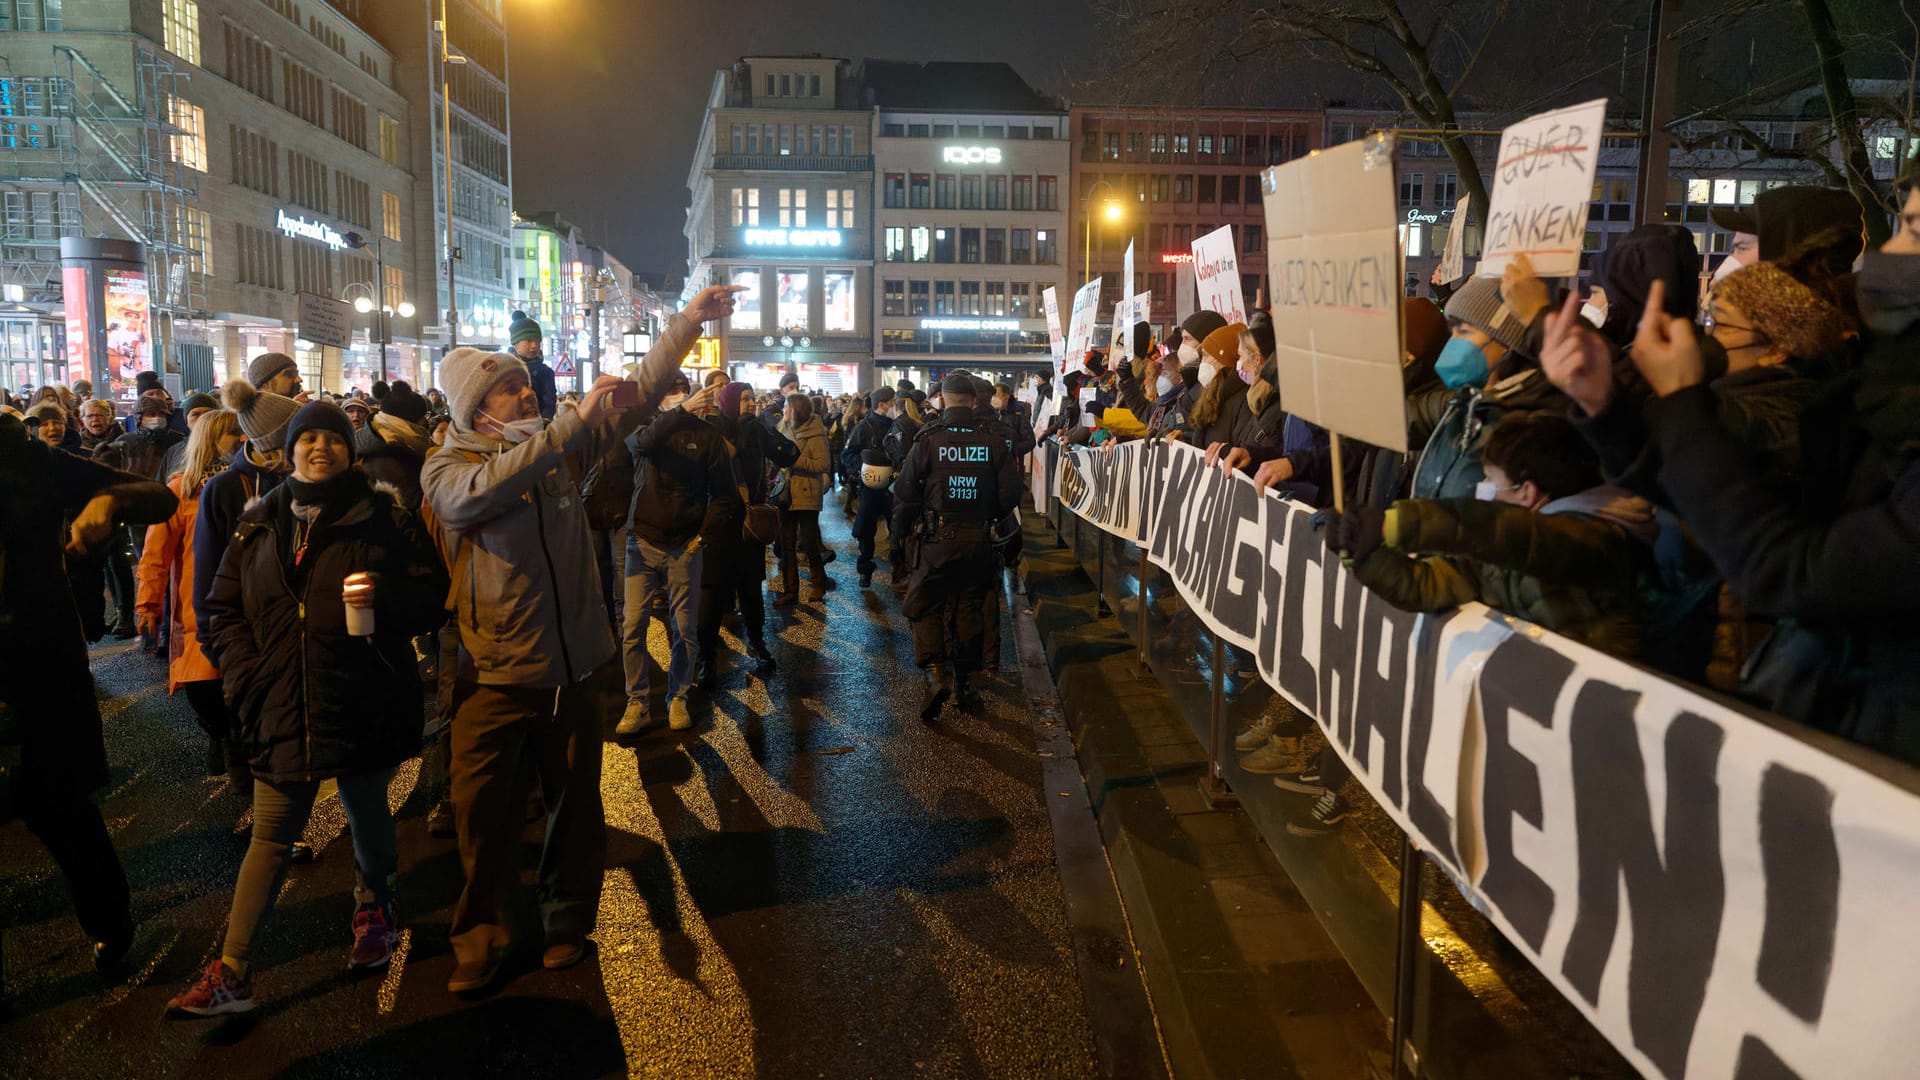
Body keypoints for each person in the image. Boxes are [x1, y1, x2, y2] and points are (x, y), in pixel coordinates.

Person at [421, 284, 739, 993]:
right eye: (508, 391)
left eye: (524, 386)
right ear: (475, 410)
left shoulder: (555, 449)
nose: (526, 396)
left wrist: (687, 322)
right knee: (484, 815)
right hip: (494, 672)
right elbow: (478, 495)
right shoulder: (449, 465)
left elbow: (641, 391)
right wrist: (566, 426)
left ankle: (565, 923)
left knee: (575, 807)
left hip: (574, 669)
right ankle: (482, 936)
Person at [167, 402, 447, 1016]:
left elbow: (433, 596)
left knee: (367, 807)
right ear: (289, 450)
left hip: (361, 689)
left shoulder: (383, 515)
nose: (321, 448)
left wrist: (386, 601)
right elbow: (221, 608)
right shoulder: (259, 521)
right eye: (308, 438)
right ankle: (233, 972)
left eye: (334, 439)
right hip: (281, 698)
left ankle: (376, 908)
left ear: (350, 449)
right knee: (270, 834)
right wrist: (245, 675)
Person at [1306, 413, 1659, 833]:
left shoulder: (1596, 540)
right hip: (1526, 733)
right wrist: (1363, 556)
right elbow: (1430, 585)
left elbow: (1511, 536)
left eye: (1491, 484)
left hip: (1590, 744)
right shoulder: (1499, 543)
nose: (1482, 494)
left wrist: (1396, 525)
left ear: (1527, 492)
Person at [1, 413, 175, 979]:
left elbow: (156, 497)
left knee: (61, 809)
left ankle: (110, 924)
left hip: (37, 665)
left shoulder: (26, 458)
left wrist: (106, 504)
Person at [616, 378, 739, 736]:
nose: (679, 397)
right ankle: (637, 702)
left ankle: (678, 697)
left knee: (685, 630)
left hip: (684, 545)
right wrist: (678, 411)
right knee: (632, 627)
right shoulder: (647, 427)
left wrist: (700, 537)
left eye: (683, 391)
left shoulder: (707, 436)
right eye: (672, 393)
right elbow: (641, 444)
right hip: (642, 541)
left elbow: (725, 495)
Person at [893, 374, 1020, 718]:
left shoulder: (929, 438)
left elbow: (905, 493)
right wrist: (986, 514)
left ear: (945, 400)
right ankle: (964, 685)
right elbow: (1010, 493)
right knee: (969, 610)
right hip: (977, 540)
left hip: (937, 540)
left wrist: (898, 538)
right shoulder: (992, 441)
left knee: (925, 605)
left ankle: (936, 675)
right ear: (974, 401)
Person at [137, 409, 247, 777]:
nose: (242, 440)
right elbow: (155, 555)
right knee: (204, 688)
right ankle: (221, 736)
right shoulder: (181, 490)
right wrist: (147, 605)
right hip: (195, 608)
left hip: (244, 603)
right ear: (212, 440)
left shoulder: (250, 484)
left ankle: (237, 752)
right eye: (235, 433)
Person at [701, 380, 792, 681]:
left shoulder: (756, 429)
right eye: (743, 399)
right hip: (719, 523)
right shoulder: (713, 429)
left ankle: (757, 643)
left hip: (751, 525)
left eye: (753, 398)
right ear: (728, 403)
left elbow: (789, 455)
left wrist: (773, 427)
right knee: (713, 595)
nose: (751, 403)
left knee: (752, 590)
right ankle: (707, 658)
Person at [774, 392, 831, 605]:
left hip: (807, 492)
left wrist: (794, 460)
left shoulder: (816, 433)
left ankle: (818, 583)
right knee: (786, 544)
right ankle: (790, 590)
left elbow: (822, 464)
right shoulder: (782, 429)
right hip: (786, 492)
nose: (783, 411)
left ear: (796, 410)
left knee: (809, 542)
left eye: (787, 407)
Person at [843, 386, 899, 588]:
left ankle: (898, 569)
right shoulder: (863, 427)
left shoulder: (897, 425)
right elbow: (847, 454)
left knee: (897, 529)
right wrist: (864, 468)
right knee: (867, 530)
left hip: (893, 486)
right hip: (870, 487)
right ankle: (865, 569)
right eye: (892, 401)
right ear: (882, 404)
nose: (895, 405)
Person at [507, 310, 557, 419]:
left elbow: (549, 404)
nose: (534, 345)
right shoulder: (504, 371)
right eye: (529, 341)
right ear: (515, 344)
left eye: (537, 341)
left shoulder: (545, 372)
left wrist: (544, 423)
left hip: (537, 426)